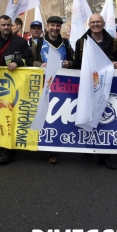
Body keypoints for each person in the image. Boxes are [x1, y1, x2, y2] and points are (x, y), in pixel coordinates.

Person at [73, 14, 117, 170]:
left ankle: (105, 156)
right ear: (89, 24)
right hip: (88, 86)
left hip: (107, 85)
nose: (95, 25)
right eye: (93, 22)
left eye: (98, 22)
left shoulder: (114, 42)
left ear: (103, 23)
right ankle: (88, 147)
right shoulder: (81, 42)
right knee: (88, 114)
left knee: (105, 119)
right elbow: (77, 64)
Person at [0, 15, 34, 164]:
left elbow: (30, 59)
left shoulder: (21, 42)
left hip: (15, 86)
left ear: (12, 25)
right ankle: (4, 145)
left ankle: (10, 147)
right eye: (3, 25)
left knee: (13, 115)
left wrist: (17, 62)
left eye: (9, 25)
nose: (6, 28)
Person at [31, 16, 74, 164]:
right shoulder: (38, 43)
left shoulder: (66, 43)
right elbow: (30, 60)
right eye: (52, 25)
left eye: (57, 26)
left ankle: (52, 149)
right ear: (47, 27)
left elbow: (75, 60)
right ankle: (39, 142)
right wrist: (39, 64)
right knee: (42, 113)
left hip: (61, 85)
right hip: (42, 84)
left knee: (55, 115)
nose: (55, 28)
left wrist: (70, 63)